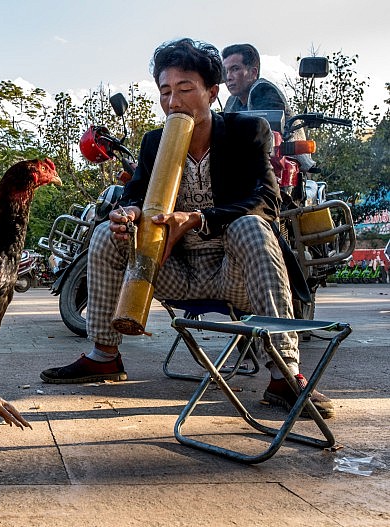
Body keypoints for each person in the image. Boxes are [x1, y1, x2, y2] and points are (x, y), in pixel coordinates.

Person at [40, 38, 335, 419]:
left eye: (184, 89)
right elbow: (134, 193)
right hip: (173, 270)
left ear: (211, 93)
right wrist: (128, 215)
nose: (173, 102)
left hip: (236, 272)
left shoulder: (249, 131)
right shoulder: (153, 143)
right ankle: (104, 355)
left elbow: (266, 201)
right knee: (104, 235)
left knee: (252, 227)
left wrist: (197, 218)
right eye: (165, 92)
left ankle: (284, 373)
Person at [222, 43, 313, 170]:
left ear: (253, 72)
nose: (228, 77)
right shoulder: (232, 101)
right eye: (226, 71)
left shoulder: (264, 90)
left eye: (235, 69)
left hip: (285, 167)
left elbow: (267, 130)